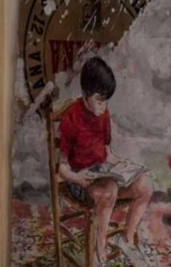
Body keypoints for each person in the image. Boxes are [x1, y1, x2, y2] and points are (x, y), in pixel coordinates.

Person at [57, 57, 153, 267]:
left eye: (106, 101)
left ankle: (127, 239)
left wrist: (124, 165)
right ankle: (99, 249)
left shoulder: (103, 114)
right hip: (81, 181)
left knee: (145, 185)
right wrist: (78, 178)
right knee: (110, 189)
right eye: (99, 100)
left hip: (104, 174)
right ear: (85, 94)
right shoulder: (71, 118)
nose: (103, 107)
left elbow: (107, 151)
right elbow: (62, 168)